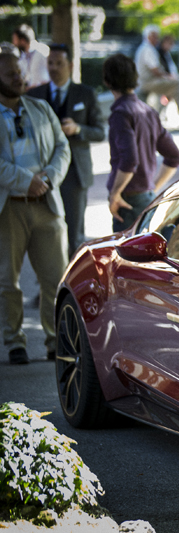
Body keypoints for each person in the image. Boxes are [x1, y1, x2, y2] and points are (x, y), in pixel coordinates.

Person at [0, 52, 70, 364]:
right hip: (9, 208)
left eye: (19, 71)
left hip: (46, 203)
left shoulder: (41, 108)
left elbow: (62, 147)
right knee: (7, 281)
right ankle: (15, 341)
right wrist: (24, 181)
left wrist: (49, 177)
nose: (19, 78)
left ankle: (56, 341)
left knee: (56, 279)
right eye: (10, 73)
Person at [27, 44, 105, 257]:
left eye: (59, 63)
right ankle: (46, 287)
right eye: (50, 63)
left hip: (75, 174)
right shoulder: (34, 95)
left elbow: (100, 132)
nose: (53, 68)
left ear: (70, 65)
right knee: (45, 233)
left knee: (75, 235)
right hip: (43, 173)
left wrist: (78, 128)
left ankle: (73, 286)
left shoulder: (86, 94)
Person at [103, 54, 179, 233]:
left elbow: (129, 160)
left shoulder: (120, 114)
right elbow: (174, 156)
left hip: (128, 200)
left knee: (127, 256)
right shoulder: (149, 112)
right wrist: (153, 187)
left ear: (107, 82)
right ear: (135, 79)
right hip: (146, 197)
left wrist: (115, 193)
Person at [134, 25, 179, 109]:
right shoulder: (148, 49)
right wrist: (168, 77)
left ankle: (161, 111)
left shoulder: (146, 48)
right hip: (147, 82)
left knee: (173, 84)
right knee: (177, 85)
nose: (157, 39)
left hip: (146, 81)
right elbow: (155, 71)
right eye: (155, 37)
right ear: (149, 36)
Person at [11, 24, 48, 89]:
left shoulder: (42, 51)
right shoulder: (22, 56)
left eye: (15, 39)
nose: (13, 43)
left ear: (22, 40)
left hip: (44, 93)